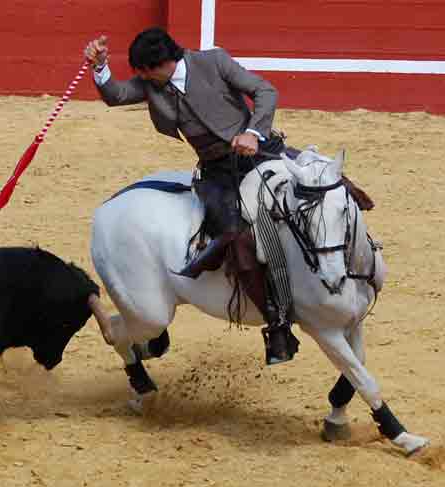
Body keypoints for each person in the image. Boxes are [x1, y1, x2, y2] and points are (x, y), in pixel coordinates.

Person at [84, 27, 299, 365]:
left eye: (146, 71)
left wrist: (254, 132)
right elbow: (116, 94)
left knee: (323, 190)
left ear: (165, 62)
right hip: (218, 174)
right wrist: (99, 67)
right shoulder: (152, 85)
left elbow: (264, 91)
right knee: (233, 234)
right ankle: (276, 323)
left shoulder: (213, 61)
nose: (142, 78)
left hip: (260, 153)